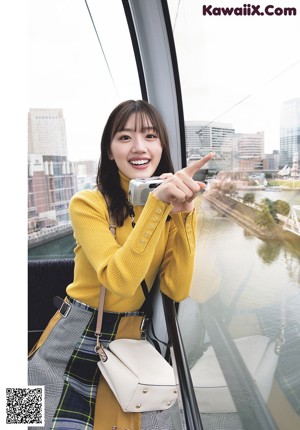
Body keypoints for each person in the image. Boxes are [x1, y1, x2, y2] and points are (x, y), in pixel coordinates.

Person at [28, 99, 214, 430]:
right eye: (125, 137)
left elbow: (177, 286)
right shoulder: (87, 203)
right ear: (110, 151)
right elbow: (119, 280)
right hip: (73, 331)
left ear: (161, 147)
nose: (139, 147)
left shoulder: (170, 206)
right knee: (19, 414)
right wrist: (157, 206)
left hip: (131, 340)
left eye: (150, 136)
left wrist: (185, 215)